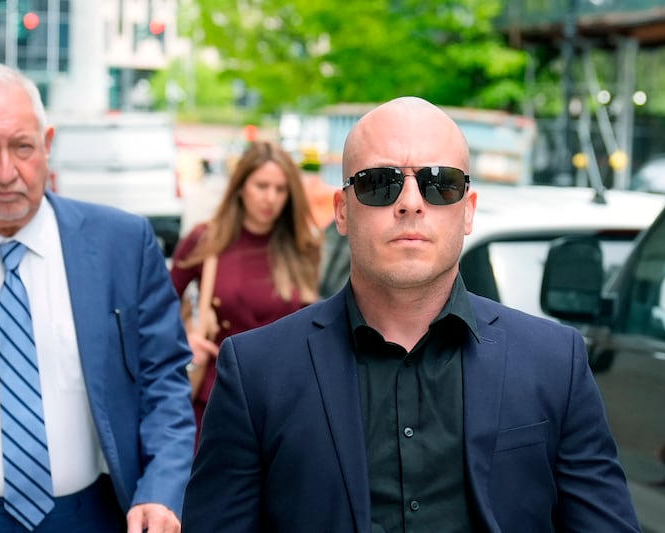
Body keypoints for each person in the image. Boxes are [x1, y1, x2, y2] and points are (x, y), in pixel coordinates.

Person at [181, 96, 641, 531]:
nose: (410, 202)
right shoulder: (256, 370)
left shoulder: (555, 362)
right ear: (342, 210)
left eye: (440, 183)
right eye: (379, 183)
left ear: (467, 209)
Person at [0, 63, 195, 533]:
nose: (6, 172)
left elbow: (164, 383)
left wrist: (161, 492)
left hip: (87, 519)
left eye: (22, 147)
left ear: (47, 144)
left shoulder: (122, 245)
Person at [170, 140, 321, 445]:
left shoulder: (303, 247)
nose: (270, 198)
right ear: (240, 187)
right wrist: (184, 340)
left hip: (287, 401)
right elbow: (158, 304)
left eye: (281, 189)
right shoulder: (206, 240)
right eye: (261, 186)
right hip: (217, 396)